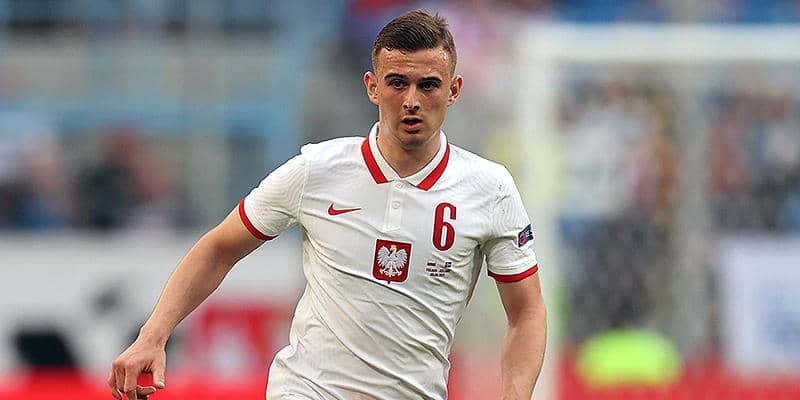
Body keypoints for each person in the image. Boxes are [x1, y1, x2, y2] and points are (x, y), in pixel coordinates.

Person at [108, 9, 546, 400]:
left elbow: (526, 311)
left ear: (453, 90)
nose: (412, 100)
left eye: (428, 85)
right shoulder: (317, 170)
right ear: (372, 87)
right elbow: (220, 247)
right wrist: (153, 335)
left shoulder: (489, 189)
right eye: (397, 83)